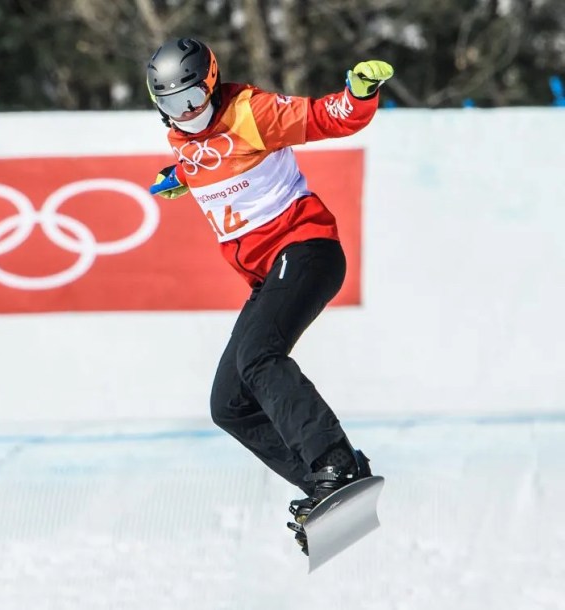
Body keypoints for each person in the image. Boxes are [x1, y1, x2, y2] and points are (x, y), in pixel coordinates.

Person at [144, 37, 394, 555]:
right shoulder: (184, 140)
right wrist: (183, 176)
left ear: (210, 84)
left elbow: (328, 118)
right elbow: (211, 157)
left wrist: (357, 93)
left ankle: (336, 466)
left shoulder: (250, 112)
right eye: (170, 104)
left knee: (259, 358)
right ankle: (327, 490)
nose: (185, 112)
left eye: (192, 98)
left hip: (306, 250)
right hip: (270, 274)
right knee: (229, 404)